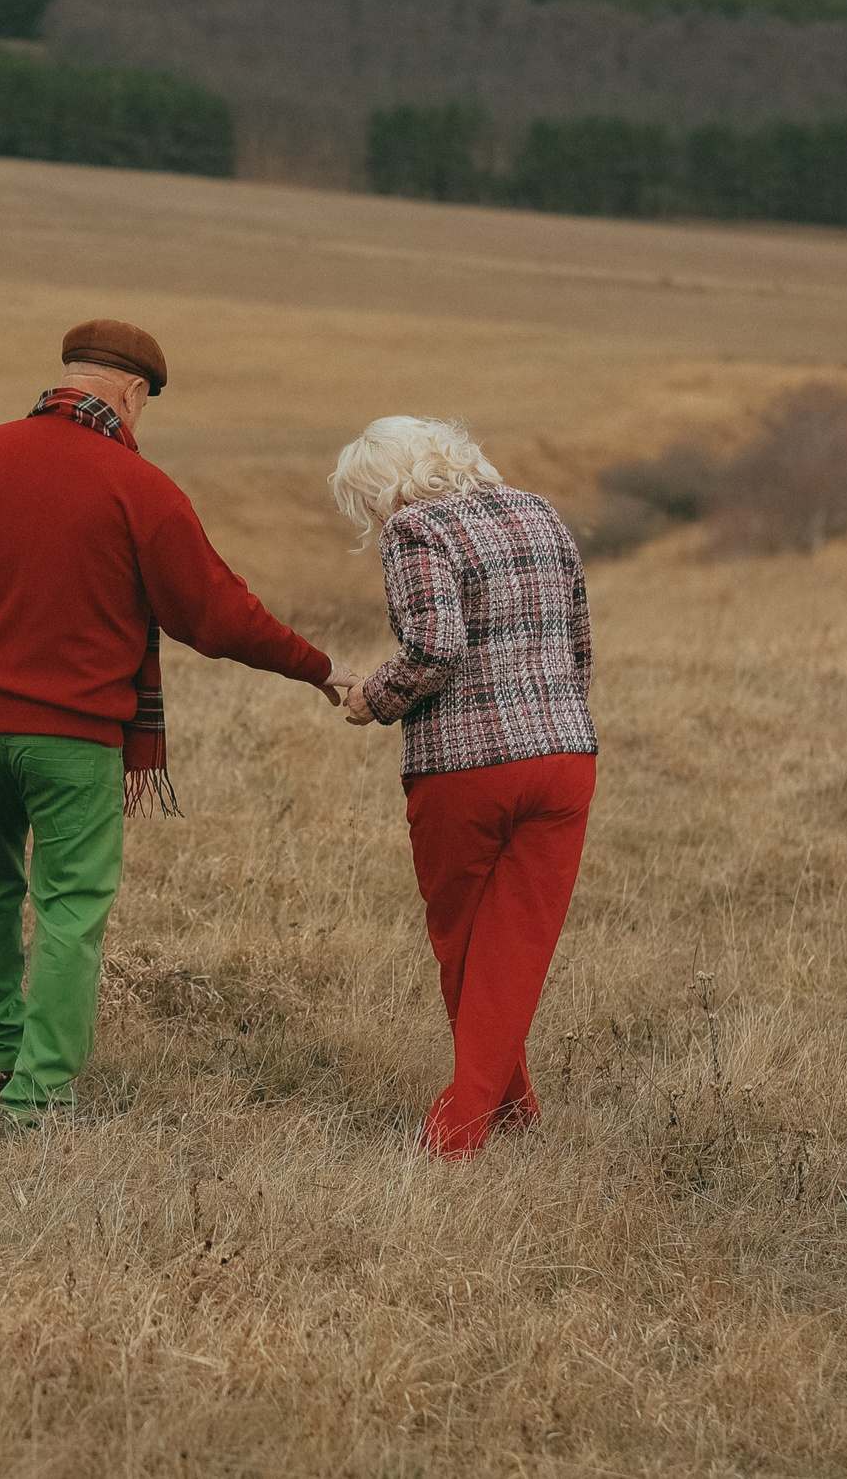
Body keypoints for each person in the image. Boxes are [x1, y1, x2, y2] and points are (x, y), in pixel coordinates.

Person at [0, 319, 353, 1124]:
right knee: (70, 907)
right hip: (76, 739)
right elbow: (217, 614)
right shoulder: (140, 486)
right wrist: (319, 667)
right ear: (133, 392)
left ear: (68, 375)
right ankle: (37, 1096)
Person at [330, 416, 597, 1159]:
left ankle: (456, 1133)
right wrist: (557, 719)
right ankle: (514, 1109)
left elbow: (432, 649)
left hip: (464, 765)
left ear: (384, 486)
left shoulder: (415, 529)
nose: (375, 519)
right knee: (514, 943)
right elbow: (578, 641)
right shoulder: (539, 510)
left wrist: (371, 698)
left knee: (464, 943)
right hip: (566, 755)